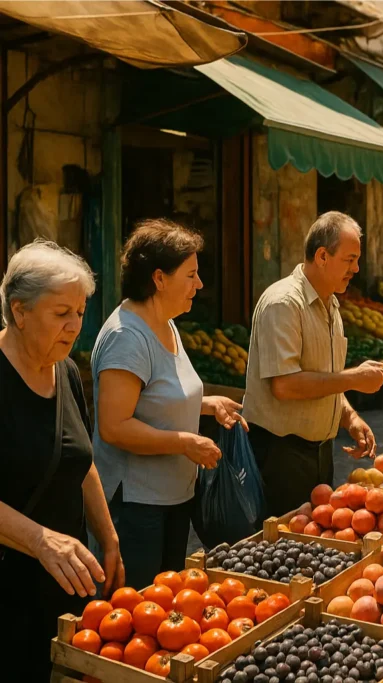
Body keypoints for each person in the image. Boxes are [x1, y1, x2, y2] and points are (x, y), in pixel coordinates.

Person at [92, 220, 244, 587]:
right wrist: (185, 442)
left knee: (165, 605)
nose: (200, 284)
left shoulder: (167, 323)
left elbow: (158, 398)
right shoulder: (127, 337)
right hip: (136, 507)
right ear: (159, 278)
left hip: (173, 498)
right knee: (137, 614)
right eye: (191, 275)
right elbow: (114, 426)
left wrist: (206, 405)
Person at [0, 241, 124, 681]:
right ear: (19, 311)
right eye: (61, 314)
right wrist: (38, 540)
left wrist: (108, 538)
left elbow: (81, 462)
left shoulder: (68, 370)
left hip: (63, 585)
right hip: (7, 588)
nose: (75, 325)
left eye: (81, 311)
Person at [244, 212, 383, 516]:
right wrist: (353, 378)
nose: (356, 269)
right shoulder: (283, 303)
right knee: (283, 549)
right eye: (349, 260)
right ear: (322, 256)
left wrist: (350, 418)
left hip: (320, 453)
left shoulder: (330, 302)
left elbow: (325, 379)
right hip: (281, 456)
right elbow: (285, 385)